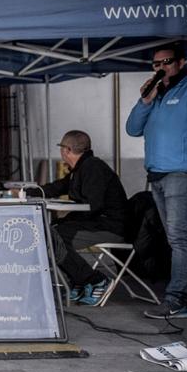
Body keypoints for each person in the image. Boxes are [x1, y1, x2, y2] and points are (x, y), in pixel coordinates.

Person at [125, 42, 187, 319]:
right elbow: (132, 129)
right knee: (177, 239)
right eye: (156, 64)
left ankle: (177, 298)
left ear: (181, 62)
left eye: (167, 62)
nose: (161, 68)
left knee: (180, 239)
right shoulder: (156, 96)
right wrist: (145, 100)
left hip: (182, 174)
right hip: (156, 175)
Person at [37, 130, 129, 306]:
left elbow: (93, 206)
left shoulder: (93, 167)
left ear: (66, 150)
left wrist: (68, 217)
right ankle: (80, 282)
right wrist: (28, 192)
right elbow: (57, 187)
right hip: (96, 223)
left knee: (54, 237)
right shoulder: (79, 169)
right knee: (50, 232)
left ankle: (95, 280)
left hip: (109, 226)